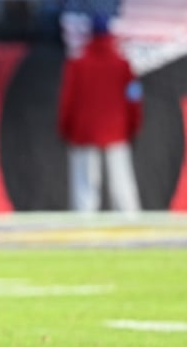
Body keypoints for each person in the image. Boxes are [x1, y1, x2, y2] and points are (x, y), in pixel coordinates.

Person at [57, 13, 143, 212]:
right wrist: (134, 126)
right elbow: (134, 100)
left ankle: (83, 233)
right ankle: (133, 230)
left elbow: (67, 100)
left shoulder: (78, 64)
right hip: (117, 131)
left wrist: (65, 129)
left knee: (85, 192)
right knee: (122, 188)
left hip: (84, 131)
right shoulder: (122, 65)